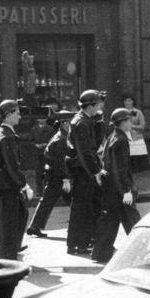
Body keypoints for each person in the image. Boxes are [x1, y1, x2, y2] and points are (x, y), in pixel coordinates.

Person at [91, 108, 140, 263]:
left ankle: (100, 253)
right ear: (123, 122)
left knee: (109, 221)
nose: (131, 123)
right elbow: (121, 169)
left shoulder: (112, 137)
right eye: (129, 120)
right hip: (119, 188)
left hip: (110, 187)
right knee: (133, 222)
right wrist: (126, 191)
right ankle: (143, 253)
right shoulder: (121, 140)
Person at [0, 99, 32, 260]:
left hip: (4, 183)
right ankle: (7, 255)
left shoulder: (0, 133)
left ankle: (10, 249)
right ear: (8, 115)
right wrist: (23, 185)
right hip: (8, 185)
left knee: (20, 214)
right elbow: (12, 165)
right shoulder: (6, 136)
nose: (20, 117)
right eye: (17, 113)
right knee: (9, 221)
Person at [64, 89, 105, 256]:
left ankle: (79, 243)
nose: (99, 107)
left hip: (82, 168)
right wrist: (96, 171)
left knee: (84, 207)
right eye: (97, 104)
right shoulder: (83, 123)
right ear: (92, 105)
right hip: (82, 170)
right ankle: (77, 244)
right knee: (81, 208)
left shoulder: (84, 120)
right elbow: (86, 151)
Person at [26, 114, 71, 238]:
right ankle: (35, 226)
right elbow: (60, 161)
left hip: (54, 174)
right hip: (58, 176)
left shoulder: (58, 136)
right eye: (68, 122)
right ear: (63, 124)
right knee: (73, 201)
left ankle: (34, 226)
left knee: (47, 201)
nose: (71, 124)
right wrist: (65, 178)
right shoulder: (61, 139)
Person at [122, 95, 148, 171]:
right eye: (125, 100)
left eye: (129, 100)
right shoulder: (120, 112)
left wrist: (132, 126)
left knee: (136, 159)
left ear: (133, 101)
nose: (127, 102)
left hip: (136, 137)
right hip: (124, 136)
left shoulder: (138, 112)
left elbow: (142, 126)